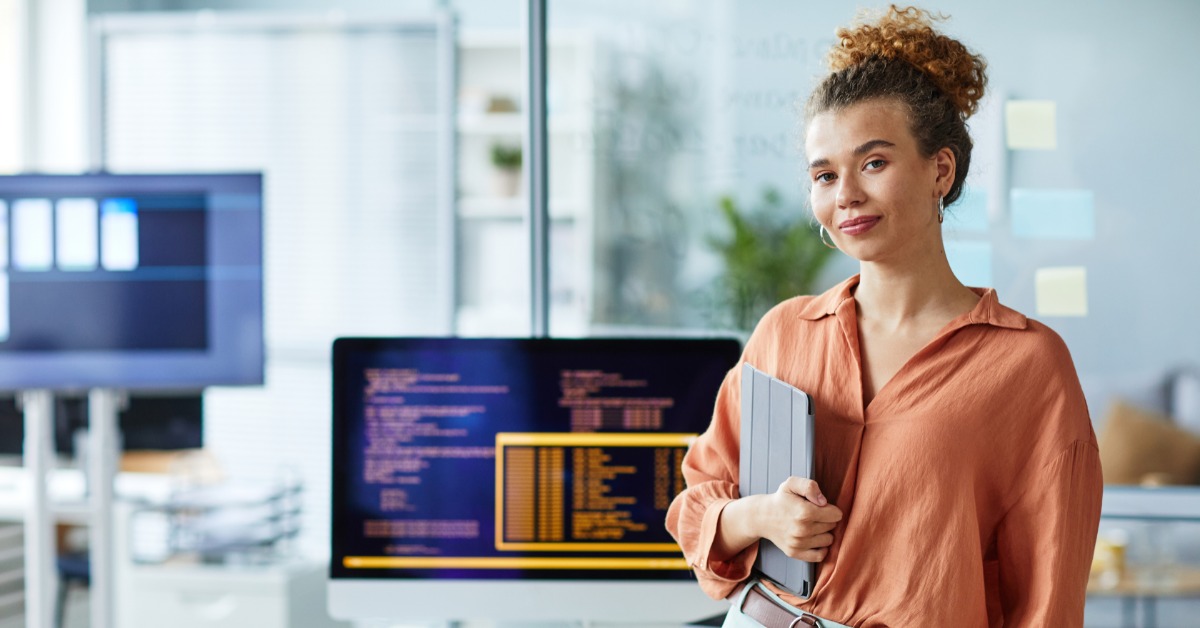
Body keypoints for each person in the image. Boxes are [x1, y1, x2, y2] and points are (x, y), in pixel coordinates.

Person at [666, 5, 1103, 627]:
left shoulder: (1028, 365)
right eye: (824, 174)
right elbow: (699, 502)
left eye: (873, 163)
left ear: (940, 170)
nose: (845, 194)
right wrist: (761, 516)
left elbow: (1047, 598)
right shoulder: (785, 332)